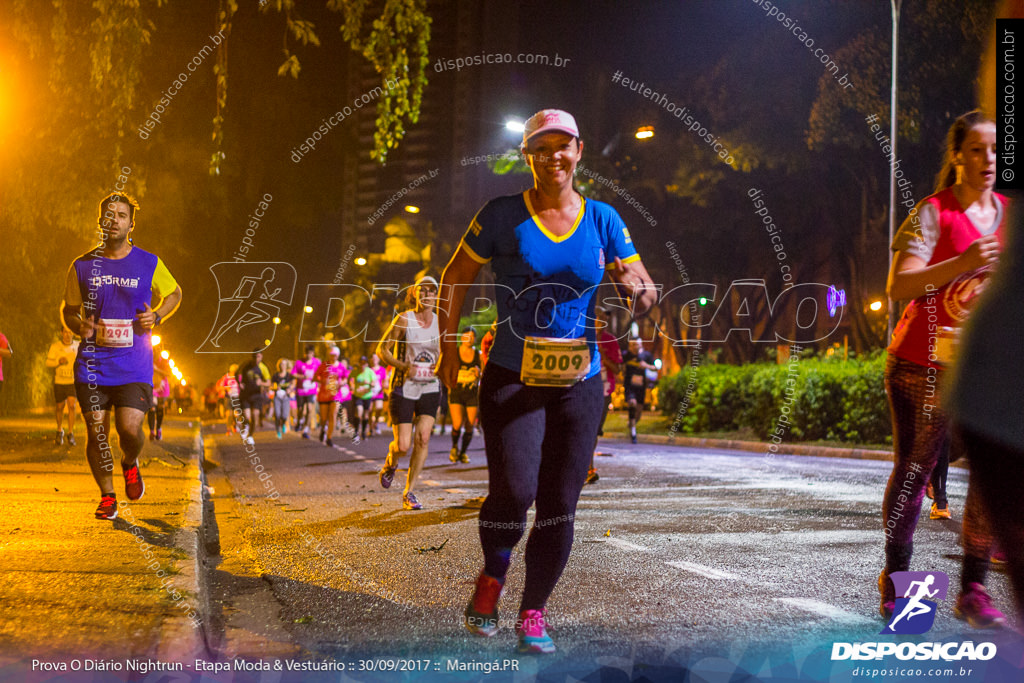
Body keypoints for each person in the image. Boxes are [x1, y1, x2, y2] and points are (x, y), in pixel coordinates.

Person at [438, 109, 656, 654]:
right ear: (526, 157)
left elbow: (645, 284)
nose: (552, 157)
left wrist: (638, 288)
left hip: (580, 381)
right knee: (513, 492)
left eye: (562, 146)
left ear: (579, 151)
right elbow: (455, 275)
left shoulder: (604, 219)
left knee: (560, 501)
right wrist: (446, 348)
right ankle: (492, 576)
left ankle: (534, 610)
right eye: (540, 148)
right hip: (512, 374)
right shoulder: (501, 215)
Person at [880, 111, 1006, 628]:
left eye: (995, 151)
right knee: (914, 476)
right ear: (957, 155)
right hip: (920, 364)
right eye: (976, 149)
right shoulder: (932, 213)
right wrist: (965, 260)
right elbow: (899, 287)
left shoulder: (1008, 214)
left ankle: (973, 588)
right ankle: (898, 588)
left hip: (984, 370)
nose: (988, 160)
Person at [62, 192, 182, 520]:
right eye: (108, 214)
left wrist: (156, 316)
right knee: (96, 432)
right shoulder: (82, 266)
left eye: (121, 215)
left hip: (133, 364)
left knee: (129, 430)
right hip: (92, 364)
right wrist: (79, 325)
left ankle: (130, 462)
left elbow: (174, 293)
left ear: (131, 223)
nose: (114, 219)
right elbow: (70, 311)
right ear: (100, 221)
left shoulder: (149, 263)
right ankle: (107, 496)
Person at [377, 275, 442, 512]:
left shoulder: (441, 322)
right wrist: (403, 366)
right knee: (403, 445)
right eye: (422, 291)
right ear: (414, 294)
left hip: (430, 386)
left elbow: (447, 352)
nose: (426, 295)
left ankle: (409, 492)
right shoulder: (404, 319)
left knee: (423, 438)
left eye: (431, 291)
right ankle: (391, 462)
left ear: (436, 295)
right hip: (403, 386)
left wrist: (442, 367)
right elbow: (382, 349)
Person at [586, 306, 623, 484]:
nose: (601, 321)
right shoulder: (582, 336)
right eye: (597, 317)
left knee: (593, 430)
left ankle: (588, 468)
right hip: (582, 388)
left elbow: (617, 369)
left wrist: (603, 356)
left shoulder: (611, 340)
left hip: (604, 391)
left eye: (603, 318)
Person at [448, 327, 481, 464]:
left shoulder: (478, 355)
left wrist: (478, 373)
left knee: (470, 425)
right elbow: (447, 371)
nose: (470, 339)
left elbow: (483, 376)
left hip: (472, 393)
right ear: (462, 337)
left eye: (472, 337)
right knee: (457, 423)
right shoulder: (454, 353)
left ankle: (463, 452)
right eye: (467, 336)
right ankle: (454, 447)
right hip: (457, 392)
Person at [46, 328, 80, 445]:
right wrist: (58, 361)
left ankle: (71, 433)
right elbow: (48, 363)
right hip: (59, 381)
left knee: (72, 405)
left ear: (73, 333)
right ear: (61, 333)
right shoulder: (55, 346)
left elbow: (86, 360)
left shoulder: (78, 345)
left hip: (73, 381)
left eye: (70, 332)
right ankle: (59, 430)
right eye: (65, 332)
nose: (67, 335)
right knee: (60, 407)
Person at [622, 338, 656, 444]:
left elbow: (655, 367)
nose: (635, 347)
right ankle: (633, 433)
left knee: (639, 411)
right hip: (629, 386)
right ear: (629, 346)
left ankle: (632, 423)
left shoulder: (646, 356)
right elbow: (619, 366)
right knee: (632, 403)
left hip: (641, 387)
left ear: (641, 345)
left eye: (637, 344)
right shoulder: (625, 355)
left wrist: (646, 366)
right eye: (633, 345)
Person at [314, 347, 347, 447]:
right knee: (324, 418)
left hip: (335, 394)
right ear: (329, 355)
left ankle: (329, 437)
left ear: (338, 355)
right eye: (332, 355)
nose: (333, 357)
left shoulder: (341, 366)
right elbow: (315, 376)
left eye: (335, 355)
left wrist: (341, 383)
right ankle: (323, 429)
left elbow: (346, 378)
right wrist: (322, 381)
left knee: (333, 415)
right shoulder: (324, 365)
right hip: (324, 395)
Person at [237, 349, 270, 441]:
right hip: (246, 395)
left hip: (256, 395)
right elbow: (237, 373)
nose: (256, 359)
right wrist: (240, 382)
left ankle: (250, 436)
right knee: (247, 417)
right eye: (255, 357)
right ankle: (245, 427)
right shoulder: (246, 365)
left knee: (255, 415)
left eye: (258, 357)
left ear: (261, 357)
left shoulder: (263, 368)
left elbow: (268, 383)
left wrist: (262, 383)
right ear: (252, 357)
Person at [292, 345, 320, 438]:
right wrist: (302, 377)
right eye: (307, 353)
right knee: (300, 409)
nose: (309, 355)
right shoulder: (299, 362)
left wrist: (318, 379)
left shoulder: (317, 362)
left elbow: (321, 374)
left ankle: (306, 429)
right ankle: (299, 421)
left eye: (311, 353)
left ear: (313, 353)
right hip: (301, 390)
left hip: (311, 389)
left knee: (309, 408)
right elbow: (293, 374)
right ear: (305, 353)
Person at [351, 356, 380, 442]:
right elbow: (351, 380)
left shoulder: (370, 372)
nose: (362, 365)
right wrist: (352, 387)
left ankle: (363, 432)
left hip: (367, 396)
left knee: (366, 414)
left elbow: (374, 384)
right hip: (358, 396)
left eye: (364, 363)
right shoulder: (355, 371)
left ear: (367, 364)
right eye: (361, 363)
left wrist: (368, 383)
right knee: (359, 412)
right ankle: (356, 432)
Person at [271, 358, 294, 439]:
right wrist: (275, 388)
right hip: (277, 397)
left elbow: (293, 385)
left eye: (284, 364)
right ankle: (278, 431)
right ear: (279, 366)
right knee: (277, 415)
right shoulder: (275, 375)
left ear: (286, 365)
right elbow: (271, 386)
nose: (282, 366)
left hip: (285, 398)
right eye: (281, 364)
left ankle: (283, 423)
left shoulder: (289, 376)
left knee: (284, 415)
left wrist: (290, 389)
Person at [148, 366, 170, 441]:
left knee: (160, 410)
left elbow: (168, 373)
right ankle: (152, 431)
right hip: (152, 389)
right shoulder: (146, 355)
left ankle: (158, 429)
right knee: (152, 409)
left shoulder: (164, 360)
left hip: (162, 391)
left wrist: (157, 369)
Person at [370, 353, 388, 435]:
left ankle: (376, 423)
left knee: (379, 408)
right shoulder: (369, 370)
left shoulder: (382, 370)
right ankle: (370, 427)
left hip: (379, 392)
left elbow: (385, 381)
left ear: (378, 360)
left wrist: (384, 387)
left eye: (376, 358)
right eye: (373, 358)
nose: (374, 360)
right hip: (369, 392)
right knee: (369, 410)